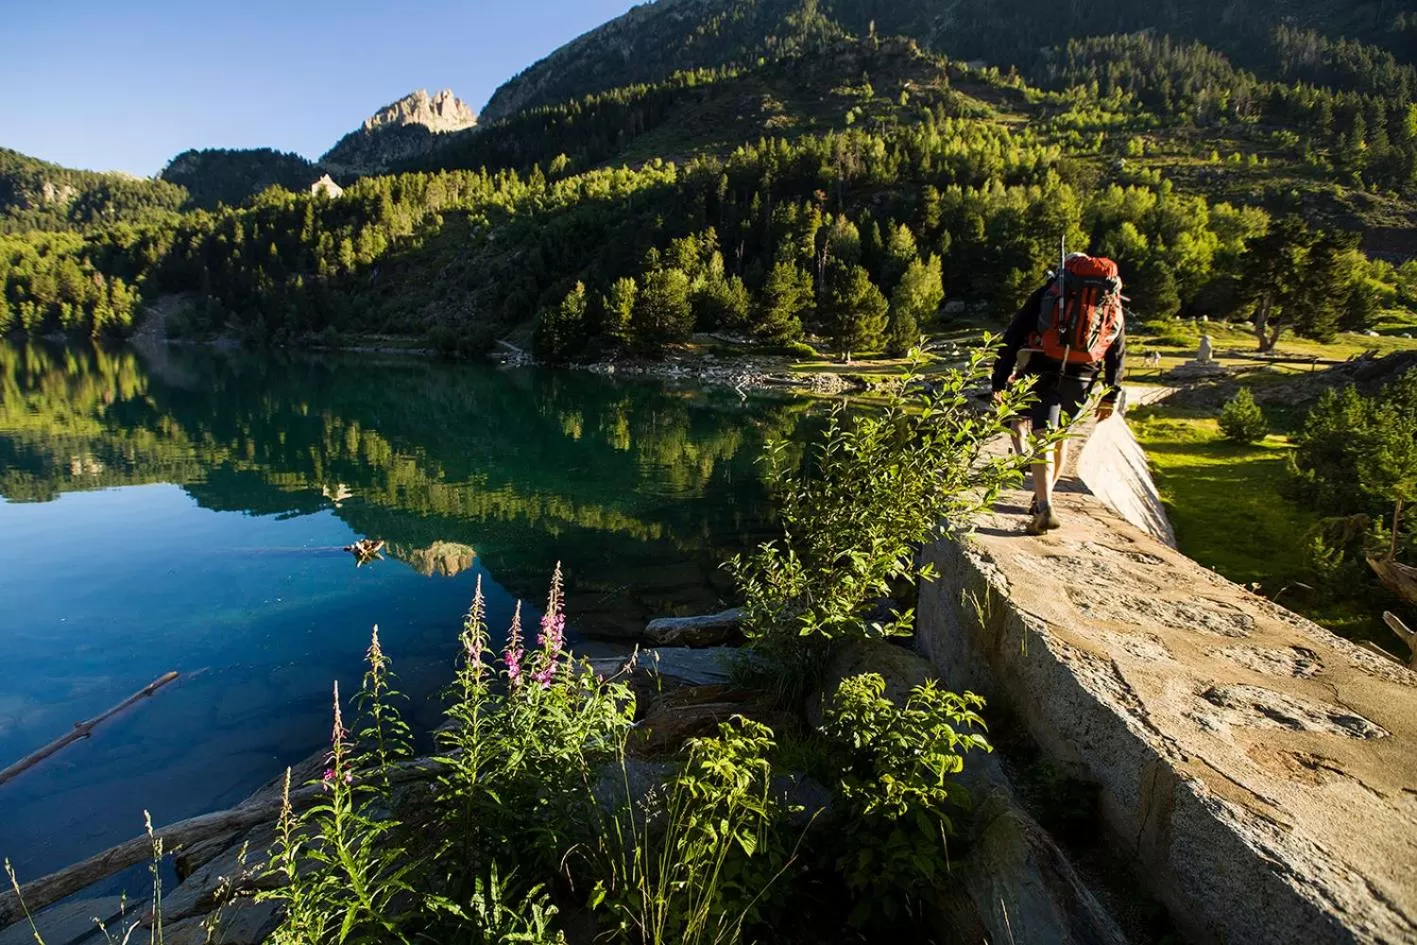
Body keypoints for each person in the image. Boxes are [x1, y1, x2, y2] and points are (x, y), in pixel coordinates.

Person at [991, 255, 1126, 535]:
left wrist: (999, 380)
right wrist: (1111, 393)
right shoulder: (1109, 300)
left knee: (1042, 437)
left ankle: (1044, 504)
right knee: (1060, 437)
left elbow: (1013, 335)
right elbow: (1117, 350)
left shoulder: (1048, 294)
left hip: (1042, 371)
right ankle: (1043, 498)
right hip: (1083, 378)